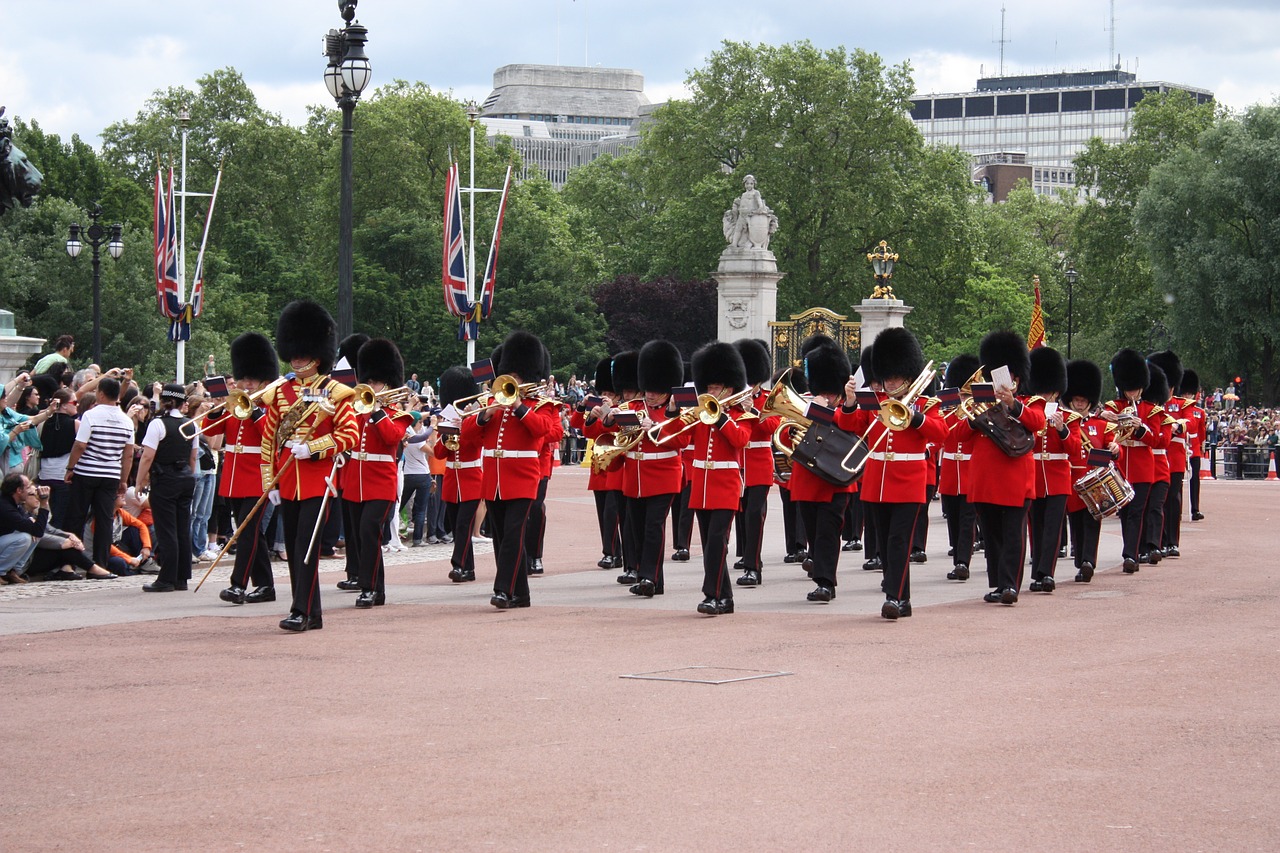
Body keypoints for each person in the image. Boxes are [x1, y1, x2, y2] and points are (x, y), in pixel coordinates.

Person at [260, 301, 359, 632]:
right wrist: (269, 483)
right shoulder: (280, 392)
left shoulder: (336, 393)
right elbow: (269, 441)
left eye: (303, 354)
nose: (297, 359)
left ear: (318, 354)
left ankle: (300, 610)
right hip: (287, 483)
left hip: (317, 482)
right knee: (293, 547)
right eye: (294, 353)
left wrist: (313, 448)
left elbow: (349, 435)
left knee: (305, 548)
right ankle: (312, 612)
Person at [848, 328, 948, 619]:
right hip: (877, 479)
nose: (890, 383)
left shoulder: (925, 404)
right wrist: (851, 401)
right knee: (882, 541)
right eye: (887, 377)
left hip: (908, 479)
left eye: (895, 377)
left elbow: (941, 433)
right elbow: (851, 425)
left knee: (898, 541)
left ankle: (895, 596)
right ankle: (901, 596)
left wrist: (915, 418)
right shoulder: (874, 401)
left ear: (907, 375)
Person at [952, 330, 1045, 605]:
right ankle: (997, 583)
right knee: (992, 535)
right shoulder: (979, 402)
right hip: (985, 477)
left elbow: (1038, 423)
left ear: (1017, 378)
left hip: (1016, 477)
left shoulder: (1030, 401)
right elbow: (956, 436)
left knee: (1013, 534)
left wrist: (1013, 405)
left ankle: (1010, 585)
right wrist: (974, 418)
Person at [476, 330, 557, 609]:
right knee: (501, 537)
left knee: (512, 535)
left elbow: (543, 431)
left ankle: (503, 590)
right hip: (495, 478)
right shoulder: (492, 403)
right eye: (508, 373)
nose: (512, 380)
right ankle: (520, 594)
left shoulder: (542, 405)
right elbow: (472, 437)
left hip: (523, 477)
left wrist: (519, 406)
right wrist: (484, 415)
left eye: (517, 375)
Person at [210, 332, 280, 606]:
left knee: (247, 533)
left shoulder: (272, 406)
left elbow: (272, 436)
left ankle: (238, 585)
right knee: (252, 533)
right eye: (243, 378)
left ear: (264, 381)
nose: (246, 383)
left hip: (259, 475)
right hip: (234, 476)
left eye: (251, 379)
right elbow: (212, 432)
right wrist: (216, 409)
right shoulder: (234, 404)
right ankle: (265, 586)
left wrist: (255, 412)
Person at [341, 339, 411, 608]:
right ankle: (375, 589)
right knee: (360, 536)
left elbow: (392, 437)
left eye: (376, 382)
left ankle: (368, 587)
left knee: (370, 531)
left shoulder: (397, 414)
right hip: (354, 482)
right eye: (368, 380)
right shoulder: (356, 411)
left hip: (381, 482)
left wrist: (377, 412)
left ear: (388, 384)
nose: (371, 386)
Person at [686, 342, 751, 616]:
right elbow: (677, 439)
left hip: (726, 485)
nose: (710, 393)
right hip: (701, 486)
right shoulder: (699, 414)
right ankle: (726, 598)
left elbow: (741, 440)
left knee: (716, 542)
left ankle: (711, 595)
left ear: (729, 388)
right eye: (708, 387)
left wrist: (721, 418)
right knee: (711, 544)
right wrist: (671, 414)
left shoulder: (741, 414)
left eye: (716, 388)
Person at [790, 342, 855, 605]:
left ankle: (825, 582)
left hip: (835, 480)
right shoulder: (805, 402)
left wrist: (828, 407)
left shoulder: (848, 406)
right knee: (814, 531)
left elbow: (849, 426)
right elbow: (787, 429)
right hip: (807, 478)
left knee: (829, 532)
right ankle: (821, 572)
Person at [620, 340, 686, 598]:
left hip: (664, 475)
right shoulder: (634, 408)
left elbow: (683, 441)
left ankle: (648, 576)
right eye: (648, 389)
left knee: (652, 528)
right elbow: (609, 434)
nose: (650, 394)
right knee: (637, 530)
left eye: (656, 390)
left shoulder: (677, 411)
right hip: (634, 477)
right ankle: (651, 579)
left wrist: (657, 427)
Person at [1024, 347, 1082, 594]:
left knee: (1052, 527)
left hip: (1058, 477)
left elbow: (1076, 450)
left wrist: (1062, 431)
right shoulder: (1029, 412)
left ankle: (1046, 573)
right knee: (1035, 527)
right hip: (1034, 475)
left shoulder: (1069, 418)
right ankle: (1037, 570)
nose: (1045, 396)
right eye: (1041, 391)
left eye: (1048, 392)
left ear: (1057, 391)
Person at [63, 376, 136, 570]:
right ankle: (100, 562)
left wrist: (71, 468)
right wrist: (123, 479)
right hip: (110, 474)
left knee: (77, 516)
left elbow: (80, 445)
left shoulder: (91, 415)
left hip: (87, 471)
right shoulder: (126, 420)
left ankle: (72, 562)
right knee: (104, 519)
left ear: (101, 393)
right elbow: (128, 455)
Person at [1103, 349, 1165, 575]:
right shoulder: (1112, 407)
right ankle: (1134, 550)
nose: (1131, 392)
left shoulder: (1151, 410)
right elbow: (1105, 433)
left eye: (1135, 388)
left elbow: (1157, 441)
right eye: (1128, 388)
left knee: (1137, 511)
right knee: (1126, 513)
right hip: (1121, 466)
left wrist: (1140, 429)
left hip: (1142, 467)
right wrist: (1106, 418)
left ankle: (1130, 555)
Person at [134, 384, 197, 592]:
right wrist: (188, 474)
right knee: (182, 527)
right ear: (182, 402)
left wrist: (140, 480)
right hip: (186, 477)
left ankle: (167, 577)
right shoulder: (191, 424)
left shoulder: (157, 424)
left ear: (163, 401)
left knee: (166, 528)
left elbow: (148, 456)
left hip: (165, 478)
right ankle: (181, 577)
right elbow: (193, 456)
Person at [732, 339, 779, 588]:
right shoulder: (733, 399)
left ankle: (753, 566)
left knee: (754, 515)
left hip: (759, 462)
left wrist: (754, 411)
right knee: (741, 513)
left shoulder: (769, 399)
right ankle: (746, 555)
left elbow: (772, 426)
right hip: (739, 463)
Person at [575, 358, 624, 570]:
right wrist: (589, 414)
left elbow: (619, 432)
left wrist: (610, 414)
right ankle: (612, 551)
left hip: (617, 465)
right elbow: (587, 432)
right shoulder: (598, 406)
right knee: (603, 513)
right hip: (599, 466)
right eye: (606, 393)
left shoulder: (623, 408)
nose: (608, 397)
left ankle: (612, 553)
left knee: (613, 514)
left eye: (611, 394)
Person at [434, 367, 482, 582]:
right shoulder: (448, 416)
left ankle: (459, 566)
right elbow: (439, 452)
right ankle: (469, 569)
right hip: (453, 480)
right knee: (457, 527)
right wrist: (447, 432)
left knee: (464, 525)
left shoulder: (475, 417)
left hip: (472, 477)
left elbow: (476, 442)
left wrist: (464, 425)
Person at [939, 354, 980, 582]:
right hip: (950, 472)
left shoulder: (978, 411)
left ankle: (964, 561)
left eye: (967, 393)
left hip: (970, 469)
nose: (965, 397)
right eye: (962, 393)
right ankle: (958, 558)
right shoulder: (947, 409)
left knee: (967, 519)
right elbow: (943, 433)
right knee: (953, 518)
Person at [0, 473, 52, 583]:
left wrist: (32, 522)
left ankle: (13, 571)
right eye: (28, 487)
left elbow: (37, 531)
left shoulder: (15, 503)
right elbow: (37, 530)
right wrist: (43, 504)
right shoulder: (5, 506)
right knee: (24, 538)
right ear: (19, 490)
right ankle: (1, 571)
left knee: (32, 534)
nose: (31, 491)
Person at [1181, 369, 1207, 521]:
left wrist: (1202, 446)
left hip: (1194, 447)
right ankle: (1176, 508)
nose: (1187, 396)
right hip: (1179, 447)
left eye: (1189, 394)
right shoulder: (1176, 409)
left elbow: (1201, 431)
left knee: (1194, 479)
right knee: (1177, 480)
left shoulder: (1199, 412)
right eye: (1185, 393)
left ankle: (1195, 509)